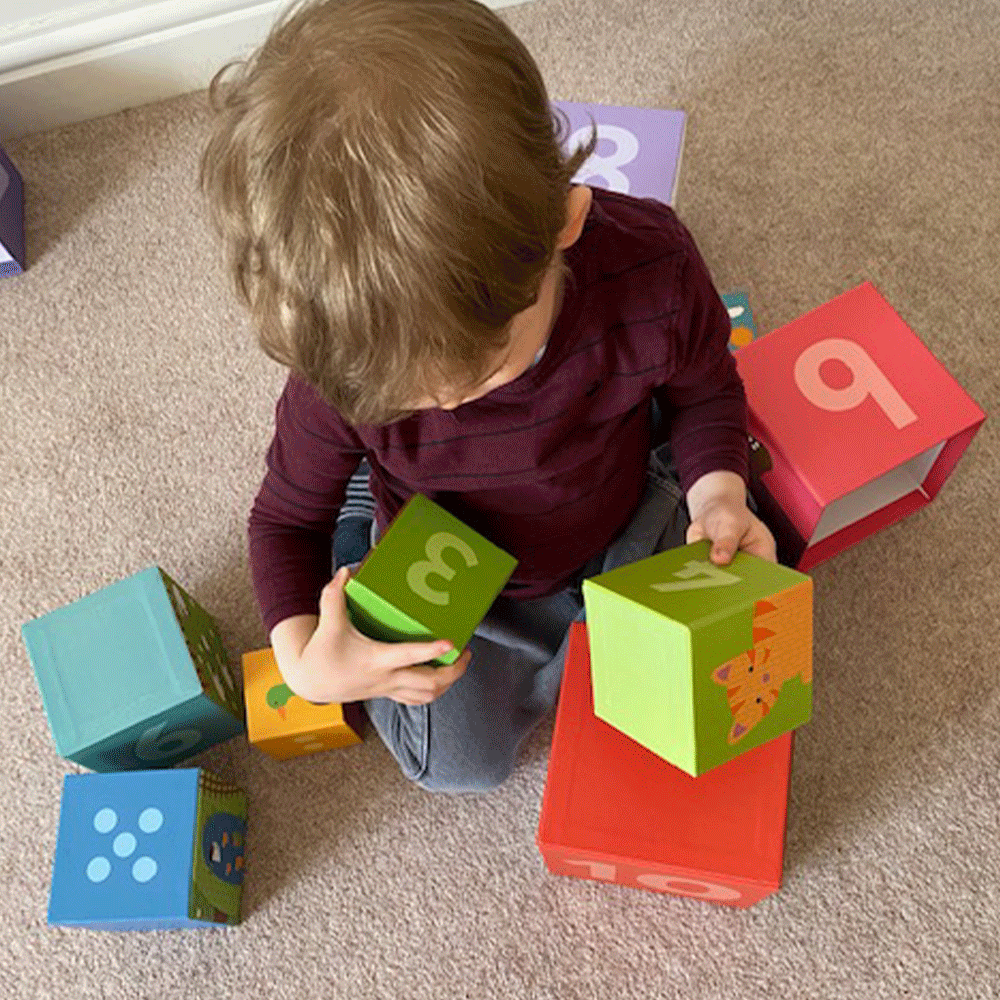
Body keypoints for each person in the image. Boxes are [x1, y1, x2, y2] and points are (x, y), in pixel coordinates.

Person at [199, 0, 776, 793]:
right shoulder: (343, 375)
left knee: (732, 608)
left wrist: (719, 491)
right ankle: (368, 497)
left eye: (474, 368)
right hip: (454, 555)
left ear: (566, 222)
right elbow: (282, 519)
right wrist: (304, 661)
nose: (442, 400)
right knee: (458, 769)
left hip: (620, 491)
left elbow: (707, 385)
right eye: (404, 392)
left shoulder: (654, 263)